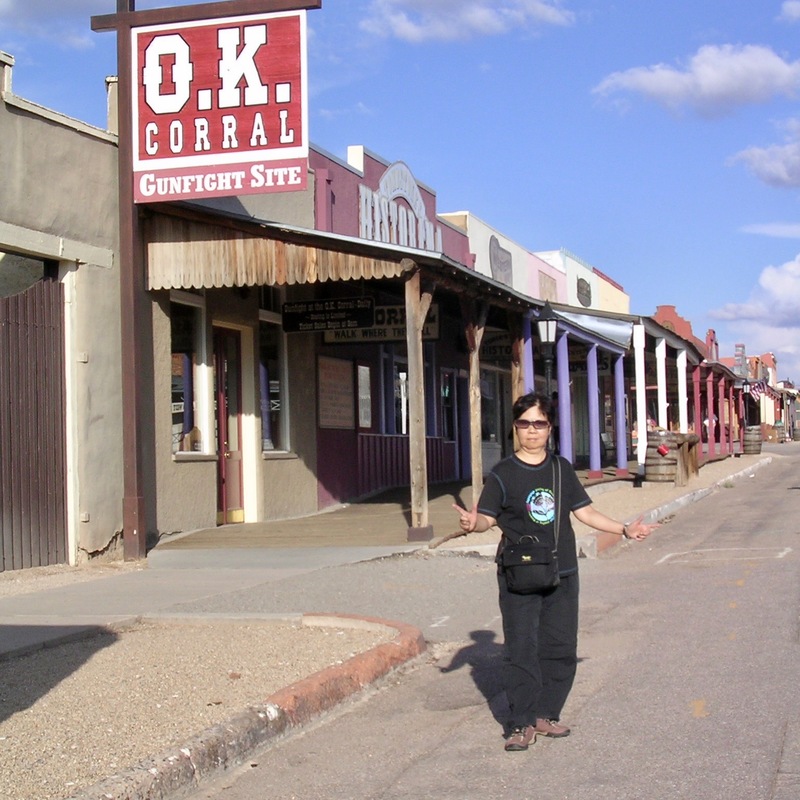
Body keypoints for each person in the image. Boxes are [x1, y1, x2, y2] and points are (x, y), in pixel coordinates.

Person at [453, 392, 658, 752]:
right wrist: (474, 523)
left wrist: (623, 529)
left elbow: (585, 512)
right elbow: (487, 517)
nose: (531, 431)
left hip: (562, 570)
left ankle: (546, 713)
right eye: (524, 424)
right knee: (521, 648)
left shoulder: (561, 469)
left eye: (539, 423)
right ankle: (520, 723)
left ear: (550, 427)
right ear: (515, 427)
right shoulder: (502, 473)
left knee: (560, 646)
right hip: (519, 575)